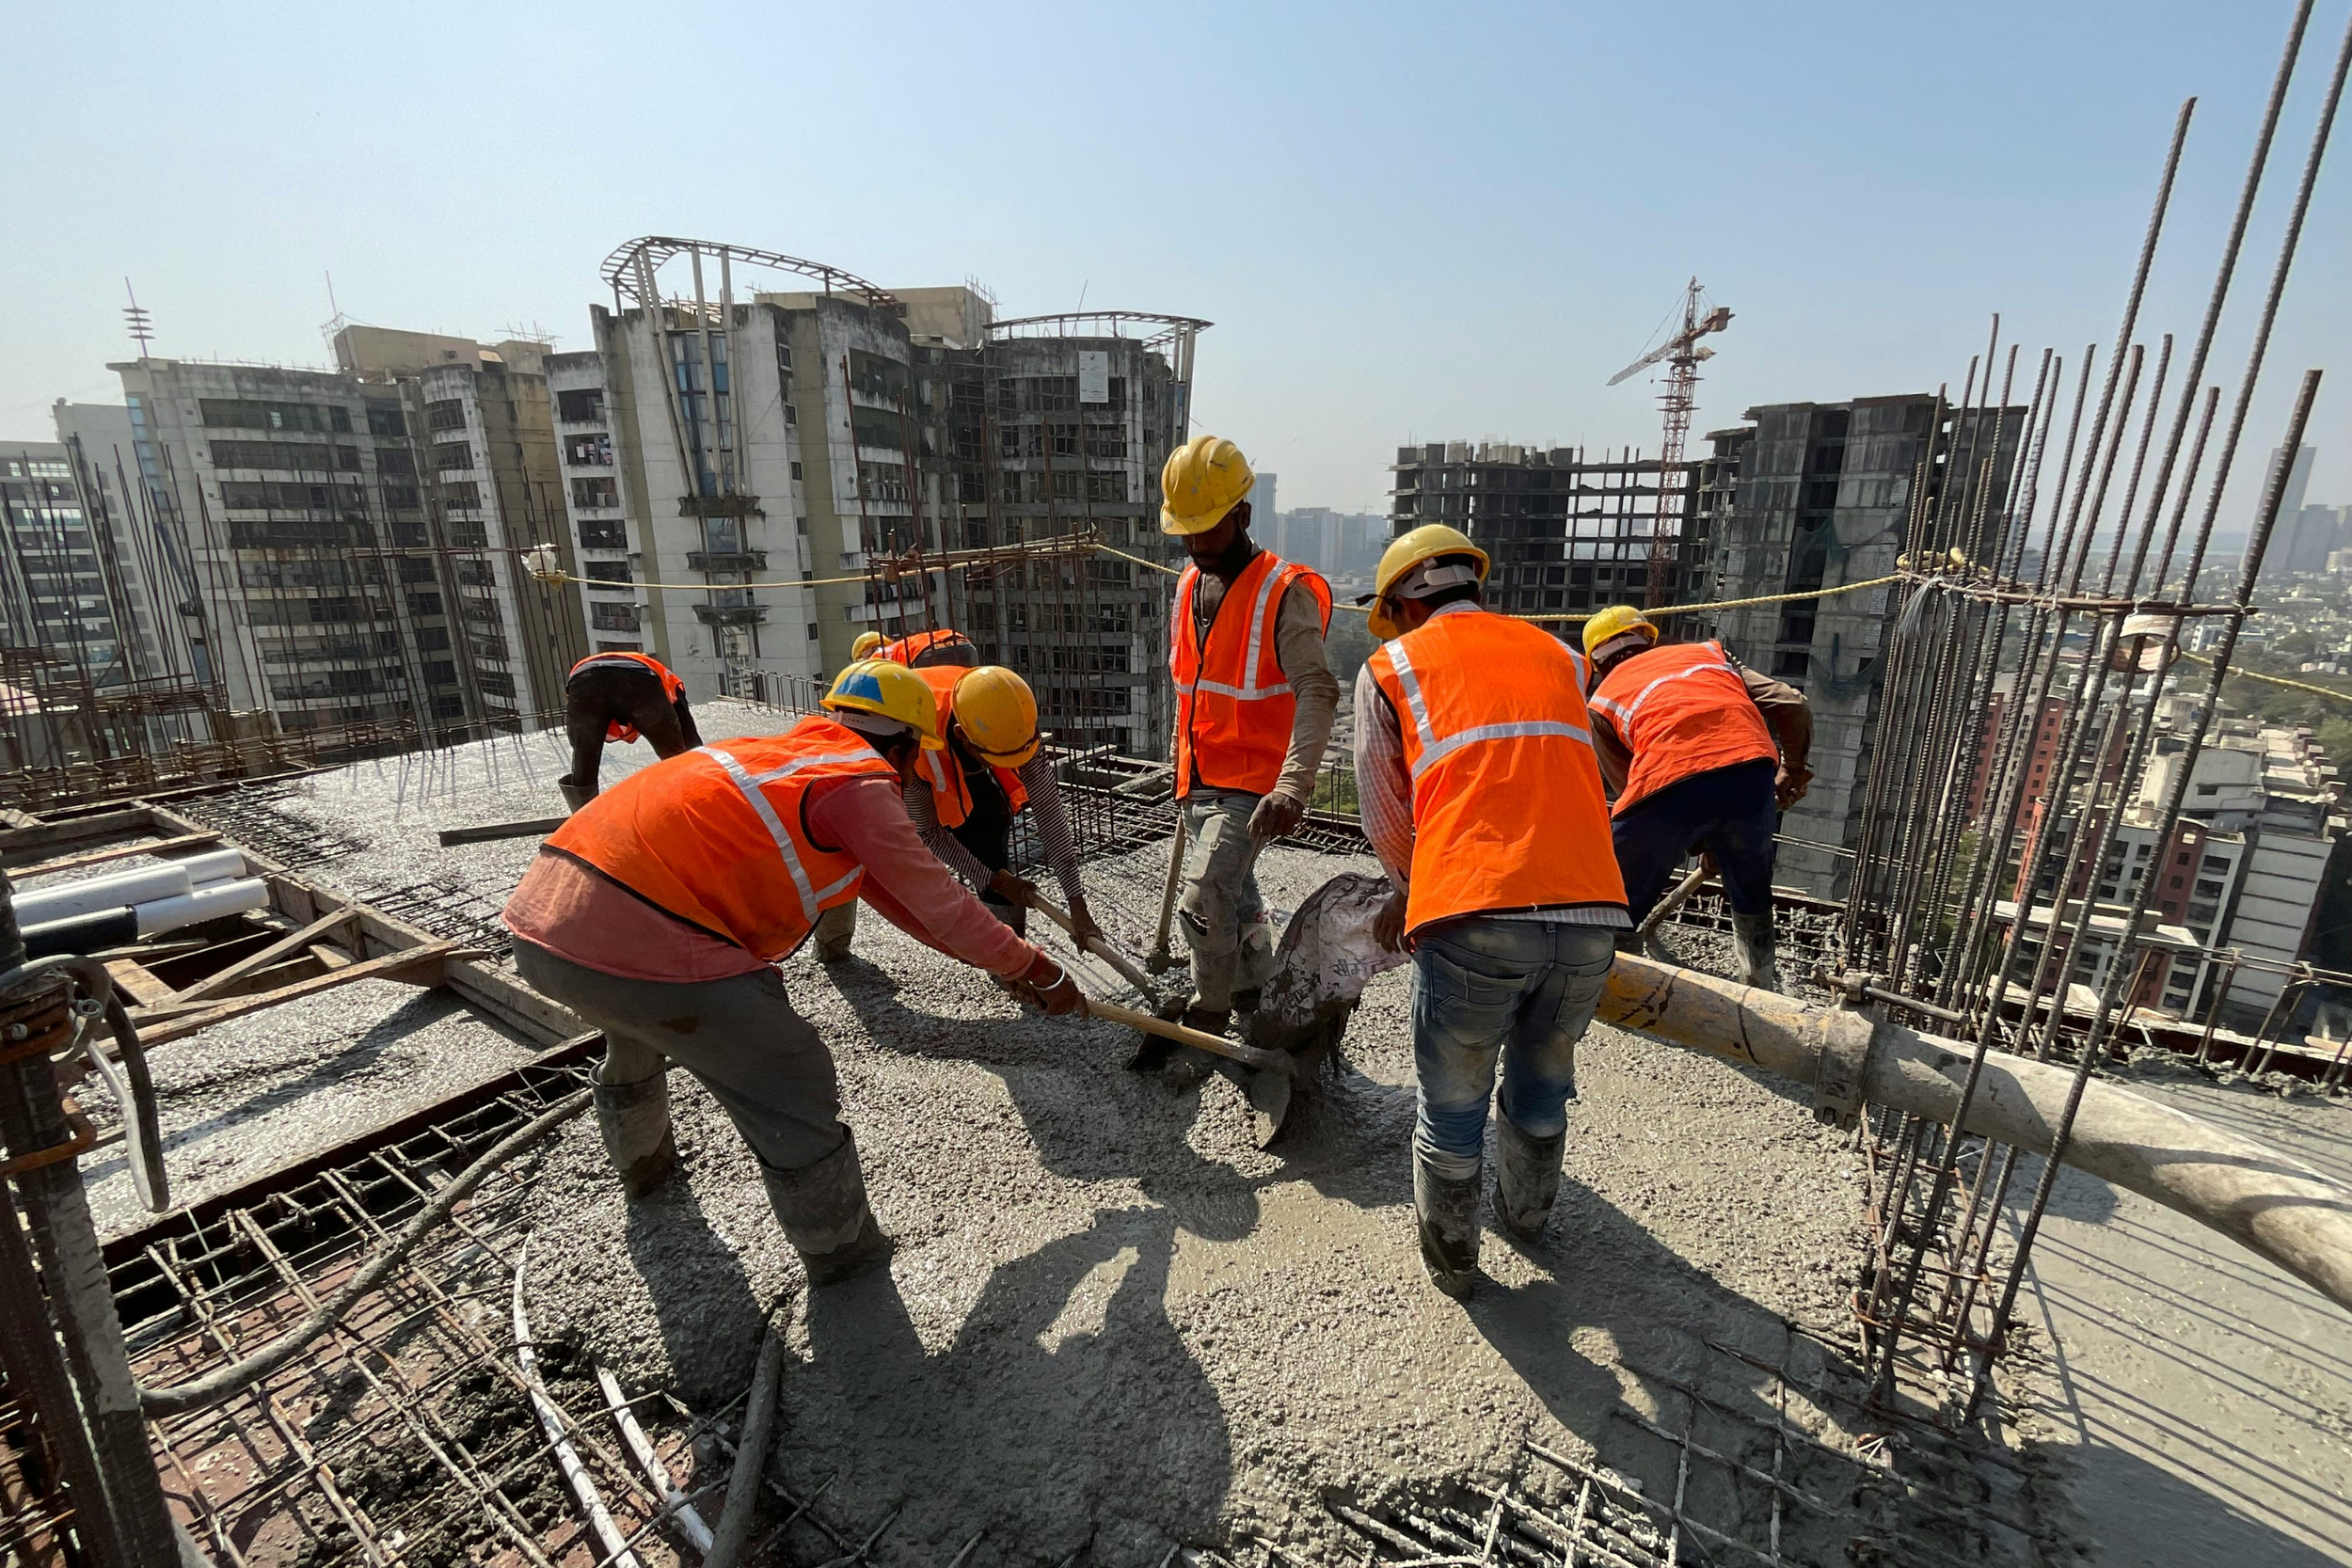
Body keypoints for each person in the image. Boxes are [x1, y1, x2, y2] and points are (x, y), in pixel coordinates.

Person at [501, 658, 1082, 1286]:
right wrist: (1037, 968)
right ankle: (845, 1259)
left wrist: (994, 962)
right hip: (642, 927)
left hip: (548, 919)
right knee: (791, 1069)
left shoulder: (785, 753)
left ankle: (645, 1171)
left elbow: (906, 902)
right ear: (911, 743)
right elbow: (939, 901)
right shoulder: (857, 782)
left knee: (637, 1026)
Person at [1355, 526, 1629, 1299]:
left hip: (1473, 909)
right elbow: (1601, 772)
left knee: (1452, 1100)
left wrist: (1414, 887)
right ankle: (1530, 1218)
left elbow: (1381, 805)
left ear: (1406, 602)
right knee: (1543, 1079)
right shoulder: (1564, 657)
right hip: (1590, 909)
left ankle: (1455, 1262)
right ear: (1474, 585)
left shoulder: (1394, 666)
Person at [1147, 435, 1337, 1056]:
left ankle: (1211, 1015)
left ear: (1244, 514)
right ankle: (1260, 988)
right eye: (1188, 532)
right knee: (1238, 896)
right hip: (1198, 777)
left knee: (1204, 898)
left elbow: (1317, 689)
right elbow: (1193, 686)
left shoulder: (1285, 592)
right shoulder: (1186, 585)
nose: (1198, 545)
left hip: (1252, 785)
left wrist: (1292, 786)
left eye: (1210, 529)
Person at [1581, 605, 1813, 993]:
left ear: (1598, 663)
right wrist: (1793, 769)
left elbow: (1634, 789)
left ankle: (1604, 987)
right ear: (1648, 638)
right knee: (1751, 890)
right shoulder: (1708, 655)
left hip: (1666, 783)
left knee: (1617, 897)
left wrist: (1693, 829)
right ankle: (1759, 990)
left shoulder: (1602, 701)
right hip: (1751, 771)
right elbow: (1792, 704)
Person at [818, 663, 1104, 957]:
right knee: (842, 842)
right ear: (963, 737)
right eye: (994, 758)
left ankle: (1007, 950)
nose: (1006, 766)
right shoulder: (914, 746)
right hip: (867, 746)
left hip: (939, 736)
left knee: (993, 820)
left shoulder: (1010, 719)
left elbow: (1050, 815)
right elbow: (928, 833)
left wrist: (1077, 904)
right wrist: (995, 880)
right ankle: (833, 942)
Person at [558, 651, 701, 811]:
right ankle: (691, 804)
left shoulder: (587, 670)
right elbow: (690, 736)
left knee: (584, 761)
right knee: (675, 755)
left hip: (584, 681)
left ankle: (583, 818)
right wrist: (697, 761)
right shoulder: (668, 678)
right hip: (638, 680)